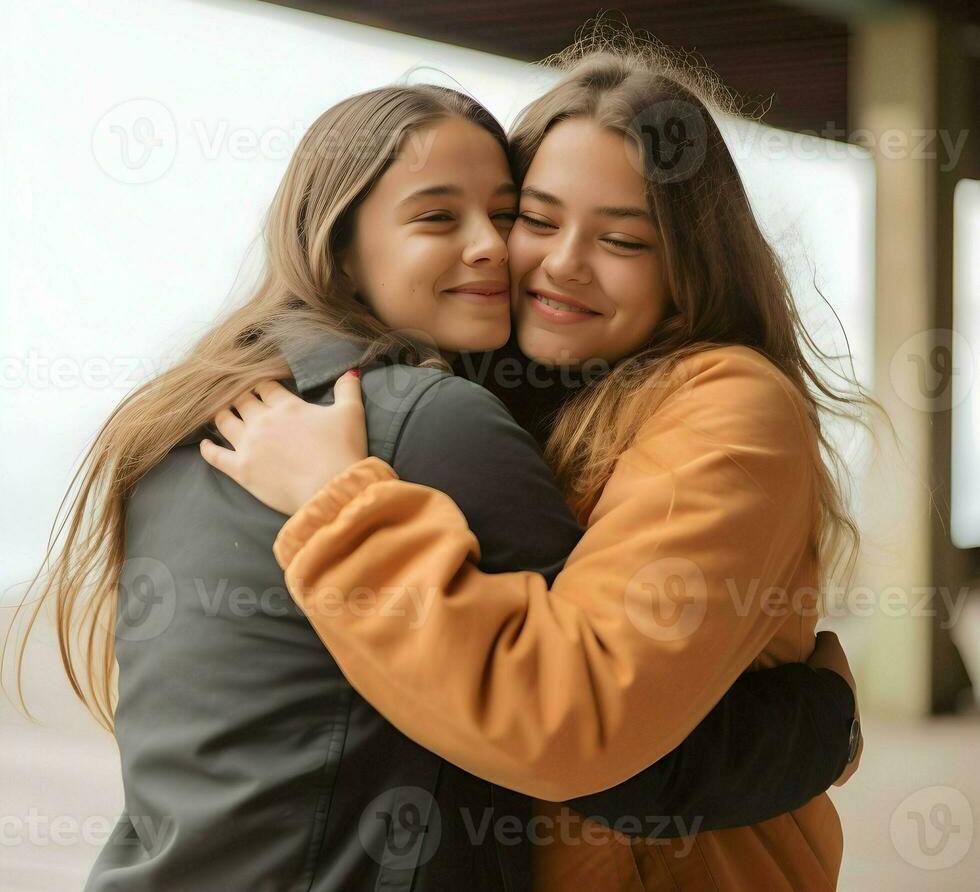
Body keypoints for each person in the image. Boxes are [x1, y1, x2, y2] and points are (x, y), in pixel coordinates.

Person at [8, 79, 857, 892]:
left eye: (623, 239)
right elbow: (590, 744)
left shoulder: (201, 410)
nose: (527, 256)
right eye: (533, 219)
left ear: (695, 261)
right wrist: (818, 727)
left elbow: (579, 724)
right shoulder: (432, 421)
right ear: (338, 250)